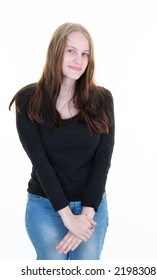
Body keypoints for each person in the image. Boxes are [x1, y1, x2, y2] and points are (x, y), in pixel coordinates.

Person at [9, 22, 115, 260]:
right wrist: (68, 217)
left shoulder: (102, 100)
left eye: (85, 53)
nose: (79, 59)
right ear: (56, 51)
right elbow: (41, 163)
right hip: (46, 206)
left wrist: (85, 218)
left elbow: (102, 161)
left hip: (92, 205)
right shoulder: (28, 101)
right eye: (71, 51)